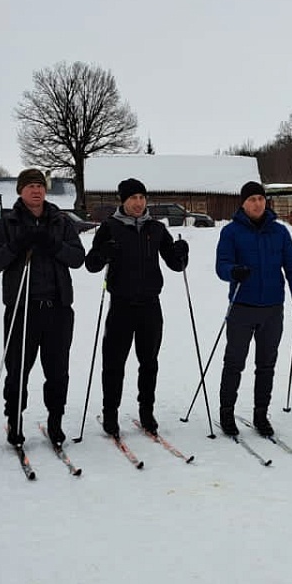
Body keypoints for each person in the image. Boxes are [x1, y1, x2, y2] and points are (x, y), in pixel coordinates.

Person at [0, 168, 86, 447]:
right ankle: (14, 420)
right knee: (17, 369)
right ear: (20, 191)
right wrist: (17, 245)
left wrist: (53, 245)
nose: (36, 190)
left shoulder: (60, 221)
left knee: (57, 370)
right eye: (29, 186)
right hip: (22, 308)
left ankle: (55, 420)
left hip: (57, 308)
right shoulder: (9, 224)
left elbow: (78, 257)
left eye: (40, 186)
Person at [84, 177, 190, 437]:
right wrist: (103, 252)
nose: (139, 203)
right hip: (121, 305)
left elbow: (176, 265)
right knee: (114, 363)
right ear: (123, 201)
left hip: (150, 306)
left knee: (149, 362)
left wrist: (181, 252)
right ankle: (111, 413)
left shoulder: (156, 228)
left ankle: (146, 412)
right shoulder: (110, 227)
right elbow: (92, 264)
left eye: (142, 198)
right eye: (133, 198)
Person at [214, 181, 292, 438]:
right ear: (243, 203)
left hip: (272, 308)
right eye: (252, 199)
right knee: (234, 362)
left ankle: (260, 413)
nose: (257, 203)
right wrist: (233, 271)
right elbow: (221, 264)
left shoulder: (279, 232)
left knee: (266, 364)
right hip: (242, 307)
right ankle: (226, 412)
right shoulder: (231, 232)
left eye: (260, 199)